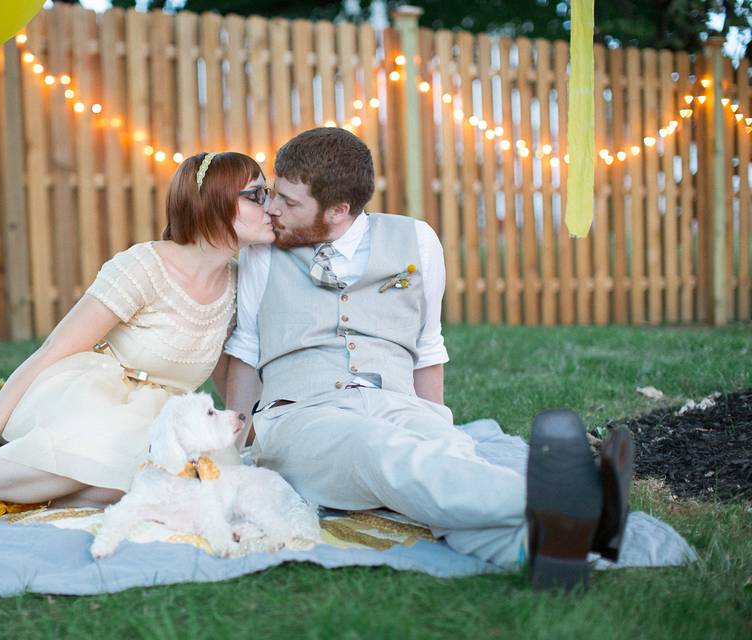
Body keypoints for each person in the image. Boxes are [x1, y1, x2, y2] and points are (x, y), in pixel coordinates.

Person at [222, 128, 632, 590]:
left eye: (289, 203)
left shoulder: (416, 240)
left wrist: (434, 423)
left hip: (397, 401)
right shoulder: (263, 255)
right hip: (303, 417)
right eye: (276, 194)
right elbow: (245, 351)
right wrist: (231, 455)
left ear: (339, 210)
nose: (273, 208)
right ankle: (574, 500)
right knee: (378, 449)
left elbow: (428, 348)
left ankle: (541, 548)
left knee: (446, 457)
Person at [0, 151, 275, 528]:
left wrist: (238, 436)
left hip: (166, 417)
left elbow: (225, 365)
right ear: (214, 204)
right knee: (109, 449)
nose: (269, 204)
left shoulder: (237, 285)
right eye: (256, 195)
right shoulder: (144, 267)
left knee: (188, 485)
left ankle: (21, 498)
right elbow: (52, 350)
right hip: (103, 396)